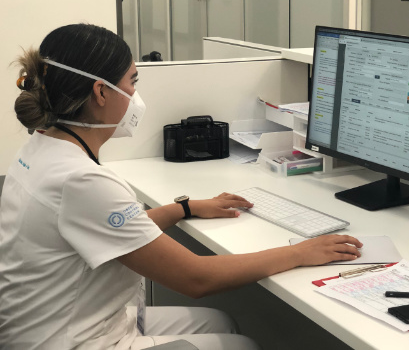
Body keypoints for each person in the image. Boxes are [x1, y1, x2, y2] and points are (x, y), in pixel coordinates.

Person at [0, 24, 362, 350]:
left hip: (64, 321)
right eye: (132, 82)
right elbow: (196, 278)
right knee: (243, 345)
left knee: (220, 322)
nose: (135, 95)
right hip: (69, 340)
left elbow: (113, 230)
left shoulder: (43, 146)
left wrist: (184, 208)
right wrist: (301, 252)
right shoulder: (80, 180)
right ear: (101, 92)